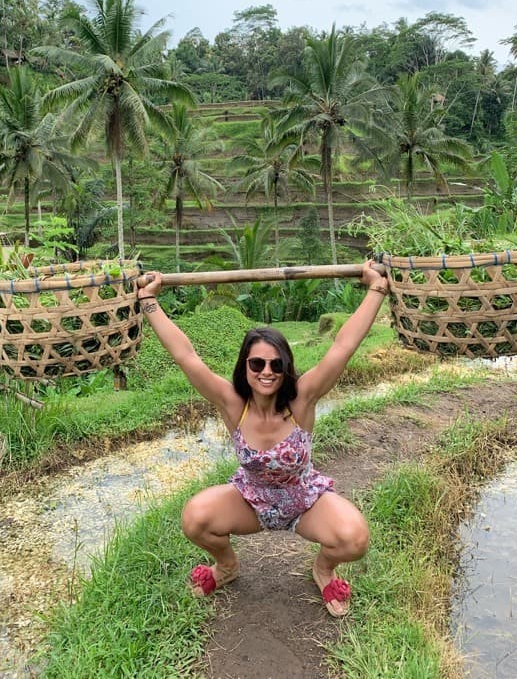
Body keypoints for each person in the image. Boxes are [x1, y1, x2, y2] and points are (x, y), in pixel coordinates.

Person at [138, 261, 389, 617]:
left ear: (286, 367)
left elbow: (342, 347)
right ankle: (226, 566)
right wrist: (149, 301)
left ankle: (323, 568)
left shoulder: (302, 399)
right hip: (251, 498)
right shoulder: (232, 404)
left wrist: (376, 287)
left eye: (275, 364)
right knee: (194, 519)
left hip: (304, 499)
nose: (266, 372)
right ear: (245, 367)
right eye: (257, 364)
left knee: (355, 539)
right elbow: (186, 356)